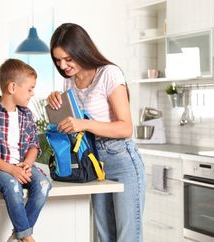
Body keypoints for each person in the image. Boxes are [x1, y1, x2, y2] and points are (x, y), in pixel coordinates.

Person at [47, 23, 146, 242]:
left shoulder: (109, 74)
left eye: (67, 59)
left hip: (121, 160)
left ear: (80, 50)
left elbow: (125, 128)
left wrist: (84, 124)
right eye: (58, 60)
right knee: (104, 236)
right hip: (94, 163)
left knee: (127, 237)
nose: (63, 65)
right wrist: (56, 104)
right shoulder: (68, 82)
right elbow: (71, 125)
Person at [0, 58, 52, 242]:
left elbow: (34, 145)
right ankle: (26, 238)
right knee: (12, 185)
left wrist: (26, 164)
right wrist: (11, 169)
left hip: (22, 166)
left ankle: (17, 235)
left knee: (44, 184)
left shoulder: (26, 115)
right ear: (12, 87)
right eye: (30, 89)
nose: (32, 93)